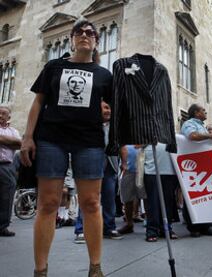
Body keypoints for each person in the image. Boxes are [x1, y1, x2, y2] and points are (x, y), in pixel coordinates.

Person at [21, 19, 111, 277]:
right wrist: (28, 137)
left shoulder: (105, 75)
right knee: (48, 203)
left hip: (89, 141)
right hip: (52, 139)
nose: (85, 35)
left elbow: (113, 109)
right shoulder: (54, 67)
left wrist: (109, 112)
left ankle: (95, 268)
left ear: (96, 40)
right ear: (71, 39)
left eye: (90, 32)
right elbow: (38, 103)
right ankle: (40, 270)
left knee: (91, 203)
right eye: (79, 32)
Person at [74, 102, 123, 243]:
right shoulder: (89, 124)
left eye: (109, 108)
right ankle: (81, 229)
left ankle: (109, 227)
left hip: (111, 166)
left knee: (109, 197)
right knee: (88, 197)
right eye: (104, 108)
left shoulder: (115, 127)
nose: (108, 111)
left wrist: (123, 163)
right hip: (91, 162)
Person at [180, 104, 212, 237]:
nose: (205, 112)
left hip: (205, 163)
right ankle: (194, 227)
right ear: (196, 113)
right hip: (193, 165)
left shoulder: (202, 125)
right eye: (203, 110)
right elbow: (192, 136)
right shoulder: (189, 123)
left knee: (206, 195)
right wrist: (208, 135)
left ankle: (205, 225)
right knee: (193, 196)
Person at [144, 143, 180, 242]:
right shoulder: (147, 129)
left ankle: (166, 228)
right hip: (152, 169)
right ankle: (152, 230)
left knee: (168, 202)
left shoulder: (169, 129)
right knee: (152, 202)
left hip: (169, 169)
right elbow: (137, 144)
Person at [0, 105, 21, 237]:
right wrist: (9, 142)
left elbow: (19, 144)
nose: (0, 116)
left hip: (7, 166)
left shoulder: (13, 130)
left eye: (3, 114)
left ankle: (2, 227)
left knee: (6, 197)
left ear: (9, 117)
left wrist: (3, 140)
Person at [117, 144, 146, 235]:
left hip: (143, 168)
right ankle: (129, 224)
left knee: (145, 197)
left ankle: (150, 223)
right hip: (128, 169)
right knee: (127, 198)